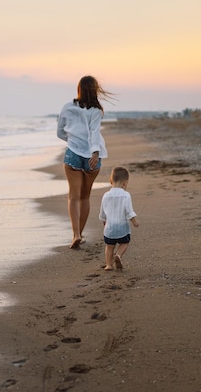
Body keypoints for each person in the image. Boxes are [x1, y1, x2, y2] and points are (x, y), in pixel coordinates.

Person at [57, 75, 111, 249]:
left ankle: (76, 235)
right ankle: (80, 232)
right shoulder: (96, 110)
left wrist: (73, 141)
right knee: (85, 196)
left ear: (78, 89)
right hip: (92, 156)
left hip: (73, 152)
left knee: (73, 196)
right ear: (95, 90)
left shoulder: (67, 107)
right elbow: (94, 132)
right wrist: (94, 151)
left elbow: (60, 132)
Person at [99, 166, 139, 271]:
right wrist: (134, 222)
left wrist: (104, 221)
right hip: (122, 228)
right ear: (125, 183)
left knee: (109, 246)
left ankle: (108, 265)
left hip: (109, 228)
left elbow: (103, 212)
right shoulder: (126, 195)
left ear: (110, 180)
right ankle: (118, 255)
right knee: (124, 243)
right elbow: (129, 211)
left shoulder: (106, 195)